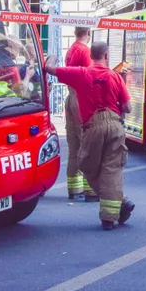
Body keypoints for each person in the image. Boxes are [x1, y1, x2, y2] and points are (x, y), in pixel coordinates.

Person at [46, 42, 134, 230]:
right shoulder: (115, 76)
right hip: (115, 126)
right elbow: (128, 107)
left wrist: (51, 56)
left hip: (92, 128)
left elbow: (50, 69)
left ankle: (111, 215)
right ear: (107, 55)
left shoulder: (80, 74)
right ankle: (119, 205)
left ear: (91, 55)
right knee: (111, 169)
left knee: (87, 166)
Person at [63, 27, 94, 201]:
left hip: (70, 98)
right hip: (81, 101)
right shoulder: (84, 51)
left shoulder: (71, 49)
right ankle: (91, 190)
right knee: (88, 145)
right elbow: (90, 77)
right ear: (88, 33)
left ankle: (74, 189)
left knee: (74, 146)